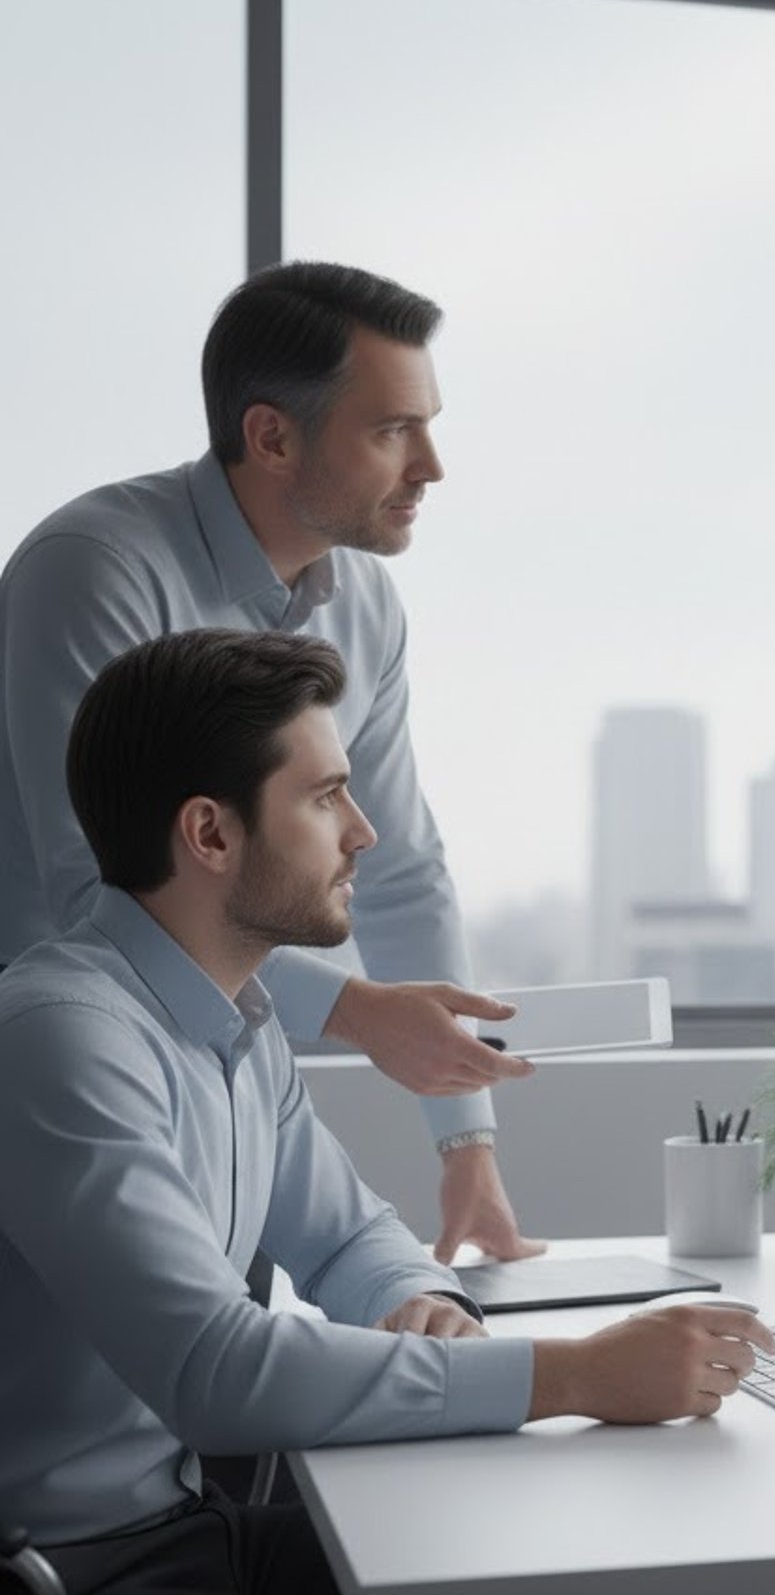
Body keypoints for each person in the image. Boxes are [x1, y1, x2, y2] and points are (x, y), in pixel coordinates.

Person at [0, 628, 775, 1595]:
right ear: (210, 833)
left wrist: (425, 1301)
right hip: (56, 1592)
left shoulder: (236, 1021)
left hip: (183, 1538)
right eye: (324, 798)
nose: (362, 832)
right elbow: (216, 1373)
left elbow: (349, 1232)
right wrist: (569, 1376)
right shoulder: (66, 1037)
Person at [0, 261, 538, 1266]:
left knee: (246, 1385)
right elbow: (98, 892)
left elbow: (403, 872)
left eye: (428, 425)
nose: (430, 466)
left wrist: (467, 1145)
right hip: (52, 1065)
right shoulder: (93, 571)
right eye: (392, 431)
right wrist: (352, 1009)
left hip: (228, 1072)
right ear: (272, 437)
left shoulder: (365, 605)